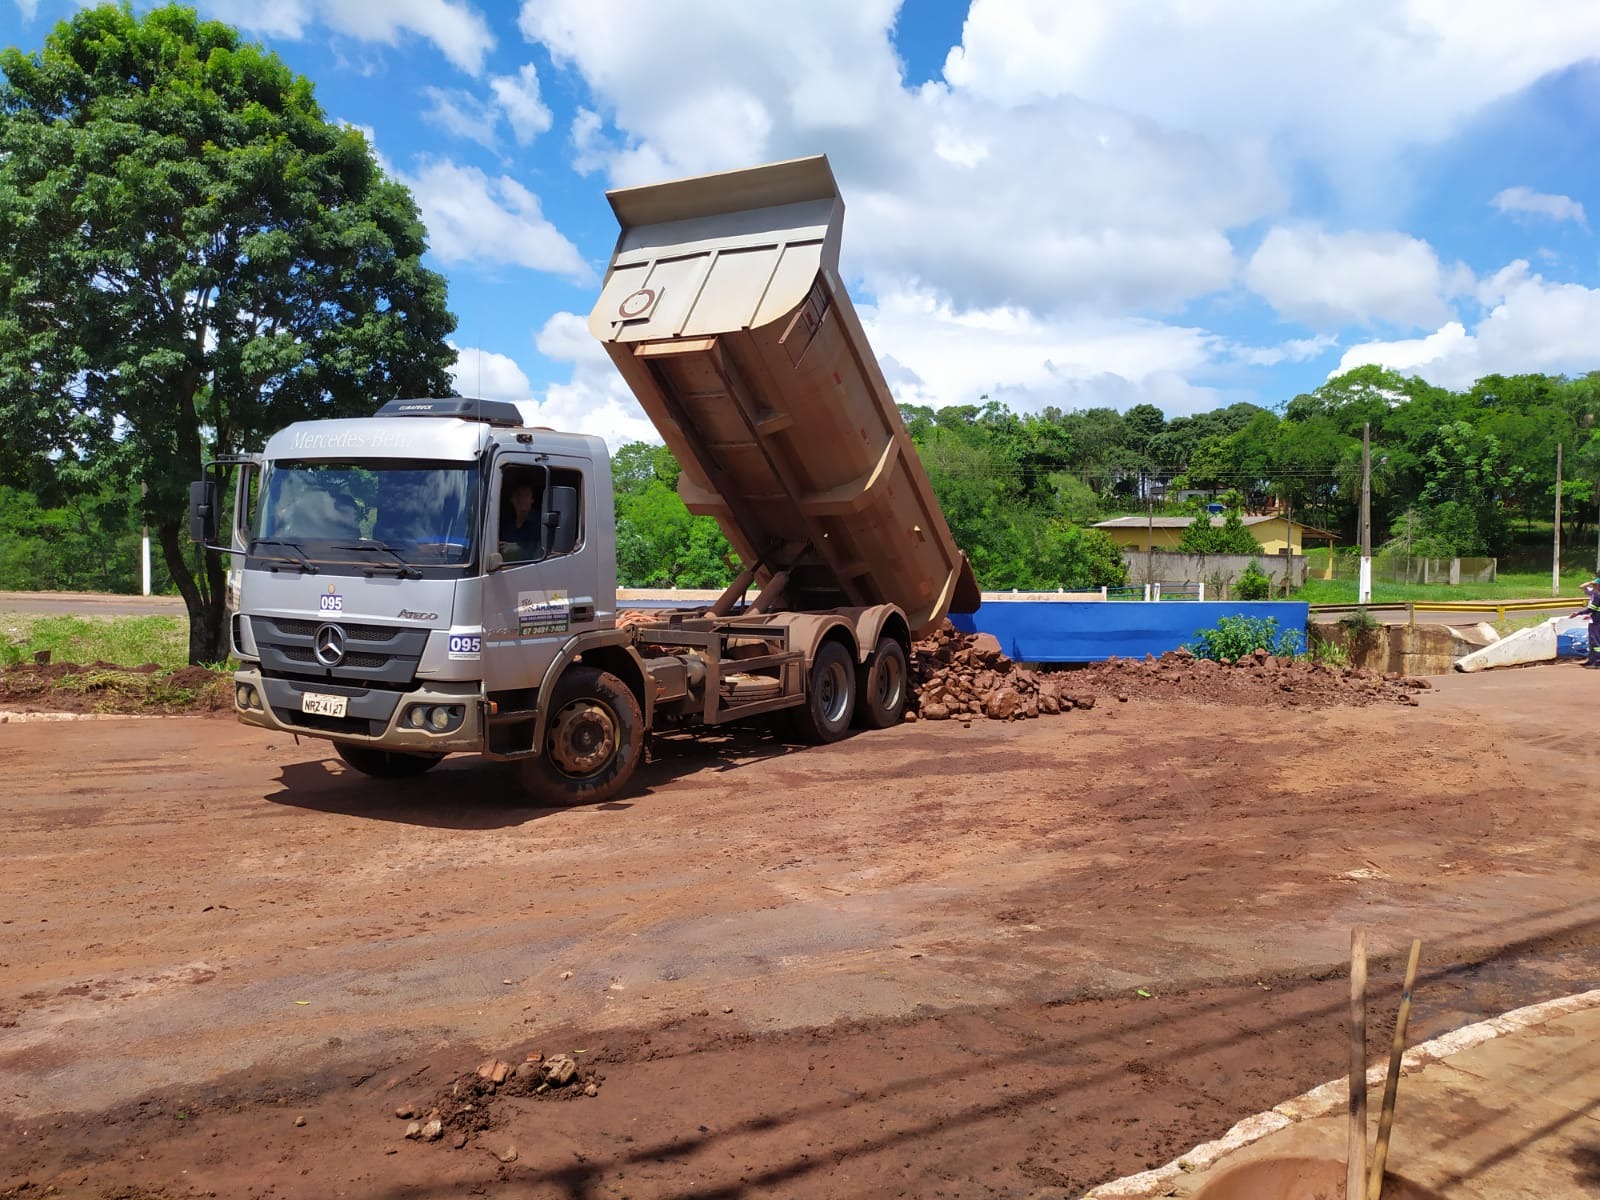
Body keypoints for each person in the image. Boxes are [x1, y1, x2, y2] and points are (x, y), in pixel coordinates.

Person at [499, 481, 541, 560]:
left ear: (532, 500)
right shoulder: (505, 522)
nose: (522, 499)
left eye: (526, 495)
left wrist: (510, 548)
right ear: (511, 499)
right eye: (518, 495)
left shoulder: (540, 523)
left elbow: (536, 551)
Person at [1576, 577, 1600, 669]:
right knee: (1592, 641)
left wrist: (1578, 613)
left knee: (1595, 641)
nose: (1593, 586)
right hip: (1594, 618)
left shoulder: (1597, 595)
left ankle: (1598, 661)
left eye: (1595, 585)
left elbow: (1592, 609)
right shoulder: (1594, 593)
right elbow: (1581, 586)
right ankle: (1592, 660)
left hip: (1597, 621)